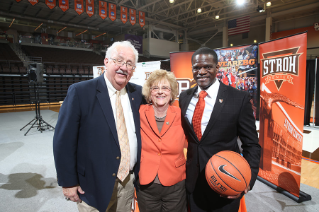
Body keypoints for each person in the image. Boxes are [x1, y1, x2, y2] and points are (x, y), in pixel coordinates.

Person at [53, 41, 143, 212]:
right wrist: (68, 181)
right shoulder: (80, 92)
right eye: (118, 60)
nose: (123, 67)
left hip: (127, 184)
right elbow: (63, 141)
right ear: (106, 62)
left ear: (133, 69)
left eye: (129, 63)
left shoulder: (138, 94)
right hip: (92, 186)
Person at [179, 47, 261, 212]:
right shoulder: (185, 97)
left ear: (217, 68)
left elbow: (251, 145)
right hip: (194, 183)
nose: (201, 71)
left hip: (226, 181)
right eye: (196, 67)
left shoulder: (238, 98)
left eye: (207, 67)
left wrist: (247, 180)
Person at [136, 69, 187, 212]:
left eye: (165, 88)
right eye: (155, 88)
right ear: (149, 92)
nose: (160, 92)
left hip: (175, 184)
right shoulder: (139, 112)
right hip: (147, 184)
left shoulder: (181, 114)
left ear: (171, 92)